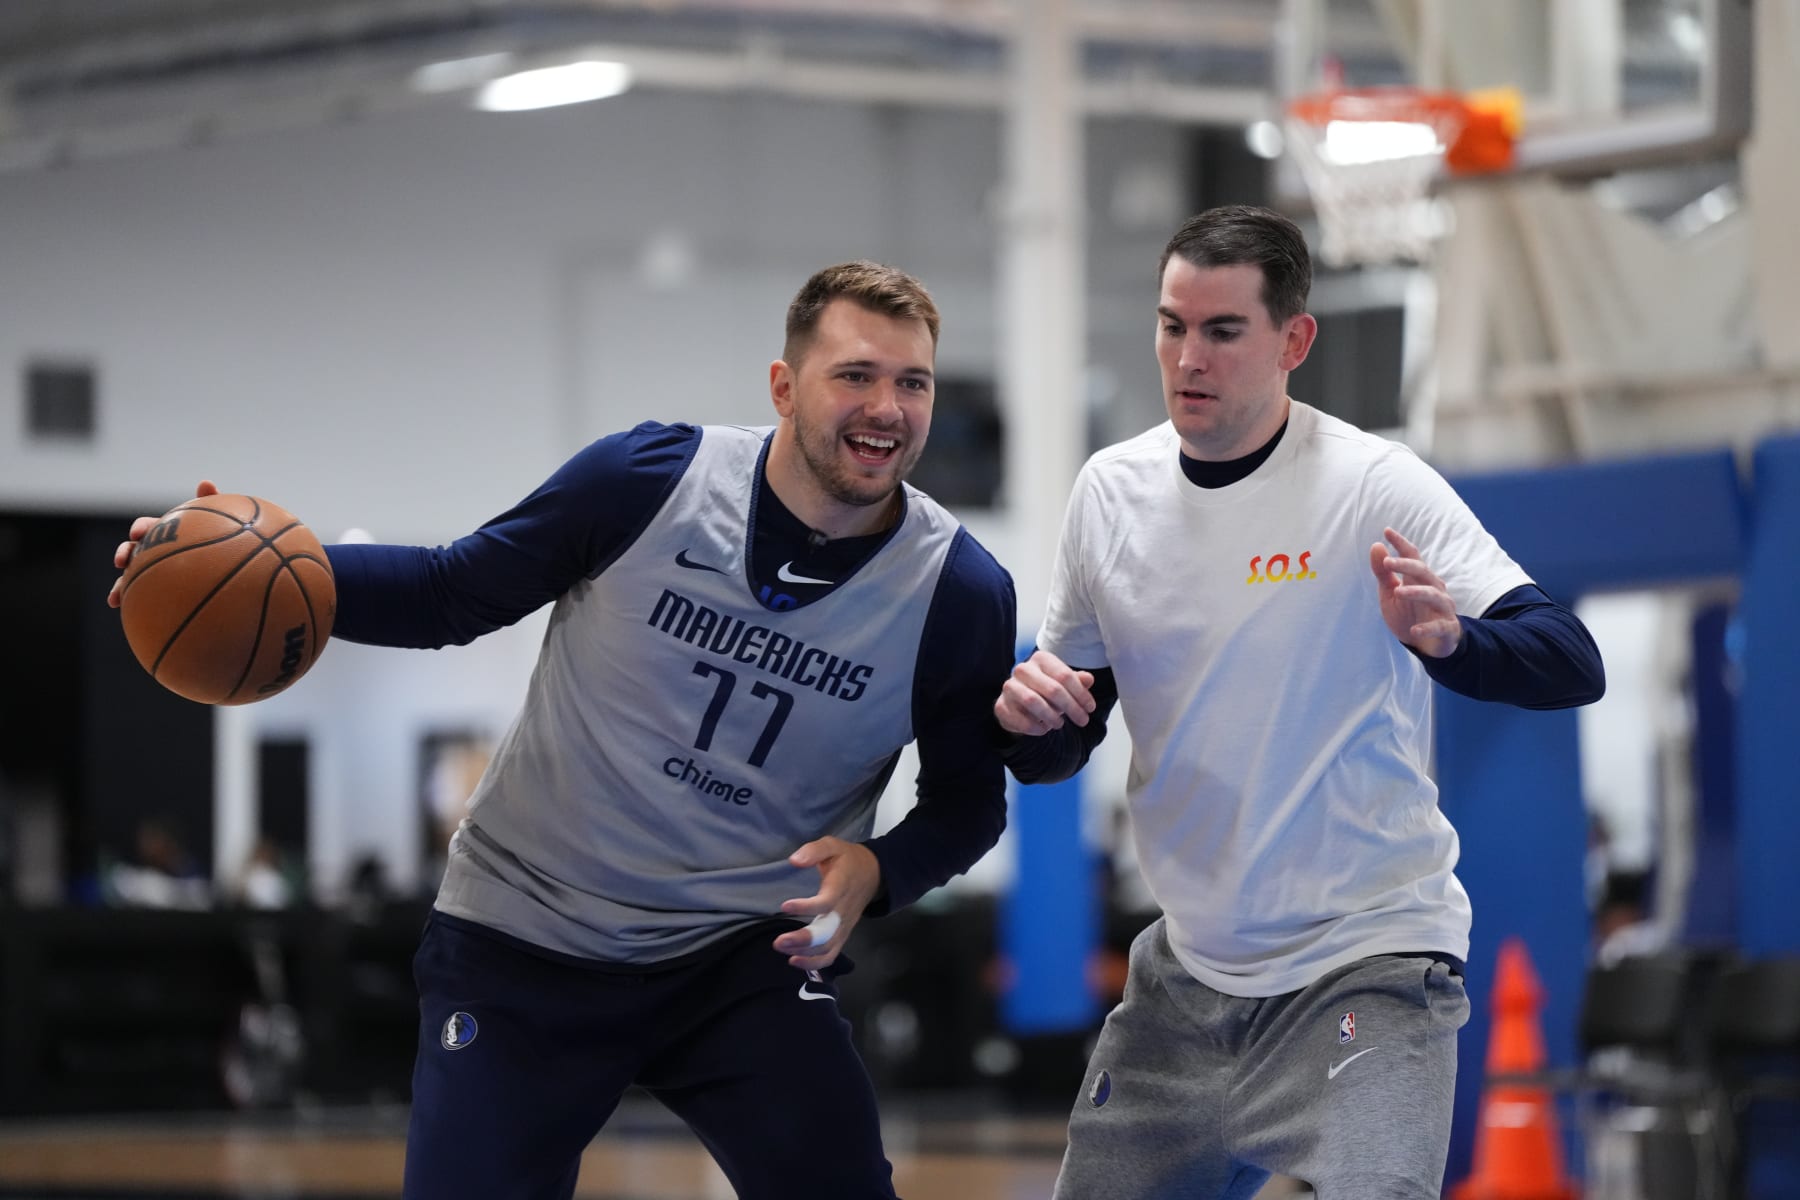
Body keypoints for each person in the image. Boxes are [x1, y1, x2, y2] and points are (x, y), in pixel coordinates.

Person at [108, 261, 1017, 1199]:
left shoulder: (957, 593)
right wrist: (259, 574)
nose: (887, 407)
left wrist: (879, 871)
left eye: (913, 383)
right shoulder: (648, 481)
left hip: (736, 951)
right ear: (784, 387)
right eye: (856, 375)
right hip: (525, 930)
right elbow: (451, 590)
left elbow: (967, 804)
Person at [994, 206, 1606, 1199]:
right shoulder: (1110, 492)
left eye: (1223, 330)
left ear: (1294, 340)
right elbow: (1066, 734)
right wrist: (1032, 726)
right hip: (1186, 981)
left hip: (1363, 968)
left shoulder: (1373, 485)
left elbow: (1569, 660)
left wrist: (1451, 641)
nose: (1189, 356)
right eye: (1172, 325)